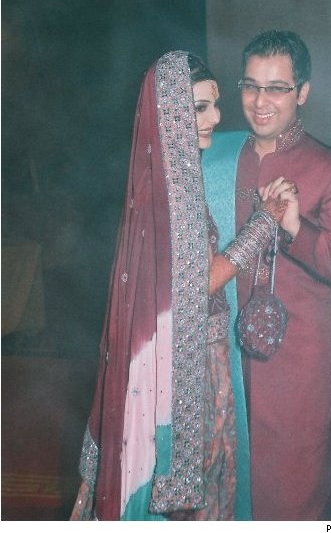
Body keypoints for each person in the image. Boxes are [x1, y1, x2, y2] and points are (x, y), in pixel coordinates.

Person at [70, 50, 288, 521]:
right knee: (201, 484)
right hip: (189, 365)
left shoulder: (159, 180)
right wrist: (265, 222)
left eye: (215, 104)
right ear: (169, 115)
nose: (216, 117)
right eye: (200, 108)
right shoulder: (177, 193)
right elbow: (201, 282)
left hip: (169, 361)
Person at [202, 30, 331, 520]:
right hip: (224, 360)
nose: (261, 101)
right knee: (226, 492)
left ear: (303, 92)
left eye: (277, 88)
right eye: (251, 85)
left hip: (298, 367)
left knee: (293, 496)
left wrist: (297, 227)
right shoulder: (216, 157)